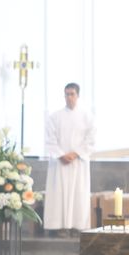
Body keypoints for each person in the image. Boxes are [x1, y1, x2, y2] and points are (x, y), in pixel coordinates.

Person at [44, 82, 97, 235]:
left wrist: (76, 153)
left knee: (78, 194)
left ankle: (76, 226)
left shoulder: (87, 117)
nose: (69, 97)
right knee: (59, 194)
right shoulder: (55, 116)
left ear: (78, 96)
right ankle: (60, 226)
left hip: (78, 163)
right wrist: (61, 154)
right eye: (66, 94)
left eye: (72, 94)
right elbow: (50, 139)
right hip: (60, 163)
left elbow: (91, 139)